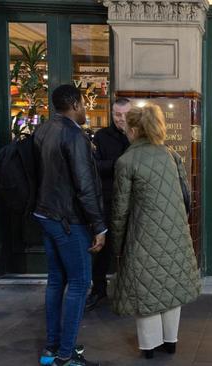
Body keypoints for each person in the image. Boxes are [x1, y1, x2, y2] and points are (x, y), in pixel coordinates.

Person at [110, 104, 201, 360]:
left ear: (135, 129)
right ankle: (170, 341)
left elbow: (120, 210)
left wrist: (116, 246)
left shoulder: (126, 161)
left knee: (146, 288)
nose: (125, 132)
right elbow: (186, 197)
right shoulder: (171, 155)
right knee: (170, 286)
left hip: (142, 237)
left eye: (127, 128)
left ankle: (149, 347)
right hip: (175, 233)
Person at [34, 85, 106, 366]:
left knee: (56, 281)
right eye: (84, 103)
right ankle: (66, 355)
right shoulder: (74, 135)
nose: (86, 109)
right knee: (79, 283)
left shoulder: (43, 129)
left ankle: (52, 349)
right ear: (75, 104)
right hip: (69, 220)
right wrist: (99, 226)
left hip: (46, 214)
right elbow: (85, 185)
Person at [86, 98, 131, 311]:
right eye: (116, 114)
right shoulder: (102, 136)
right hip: (107, 200)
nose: (120, 119)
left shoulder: (138, 135)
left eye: (124, 115)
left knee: (130, 247)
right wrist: (120, 164)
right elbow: (94, 166)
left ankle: (129, 291)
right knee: (101, 249)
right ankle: (99, 290)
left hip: (132, 201)